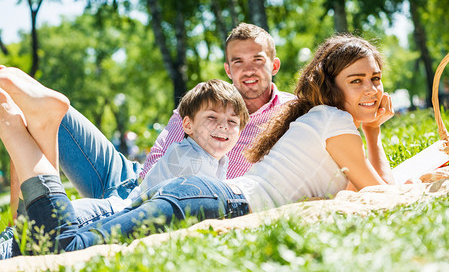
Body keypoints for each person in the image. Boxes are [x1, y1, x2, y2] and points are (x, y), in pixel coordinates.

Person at [0, 34, 394, 257]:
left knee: (48, 242)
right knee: (67, 244)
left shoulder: (310, 116)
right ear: (331, 84)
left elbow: (365, 184)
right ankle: (19, 131)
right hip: (207, 198)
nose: (372, 90)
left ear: (273, 66)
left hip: (199, 193)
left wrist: (373, 131)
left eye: (375, 79)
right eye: (357, 80)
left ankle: (35, 127)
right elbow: (380, 191)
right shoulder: (334, 120)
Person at [7, 23, 295, 226]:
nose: (248, 70)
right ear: (228, 69)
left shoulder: (293, 111)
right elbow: (159, 155)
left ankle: (25, 224)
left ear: (274, 65)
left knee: (66, 219)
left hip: (150, 201)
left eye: (257, 60)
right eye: (238, 61)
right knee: (42, 106)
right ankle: (17, 216)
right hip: (132, 180)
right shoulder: (206, 100)